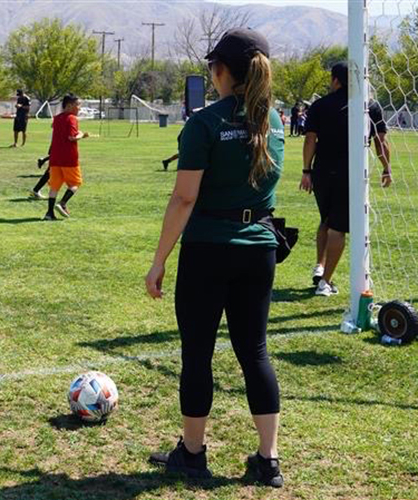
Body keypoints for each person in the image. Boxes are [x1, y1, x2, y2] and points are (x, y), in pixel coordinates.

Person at [145, 28, 285, 487]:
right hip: (259, 249)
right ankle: (268, 462)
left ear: (221, 71)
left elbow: (185, 199)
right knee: (255, 352)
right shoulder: (276, 123)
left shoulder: (204, 123)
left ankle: (192, 454)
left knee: (198, 353)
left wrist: (159, 259)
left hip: (208, 250)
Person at [301, 64, 392, 295]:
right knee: (337, 228)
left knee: (326, 219)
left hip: (322, 172)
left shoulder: (320, 105)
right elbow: (380, 142)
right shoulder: (369, 106)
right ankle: (325, 283)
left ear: (336, 81)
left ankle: (319, 267)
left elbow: (310, 140)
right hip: (350, 173)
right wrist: (386, 167)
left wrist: (306, 171)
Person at [43, 93, 90, 221]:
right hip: (69, 158)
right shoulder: (72, 118)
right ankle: (62, 203)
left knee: (54, 186)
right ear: (69, 106)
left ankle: (49, 213)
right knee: (75, 183)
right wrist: (81, 135)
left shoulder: (57, 118)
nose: (79, 108)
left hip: (55, 158)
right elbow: (71, 137)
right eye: (77, 105)